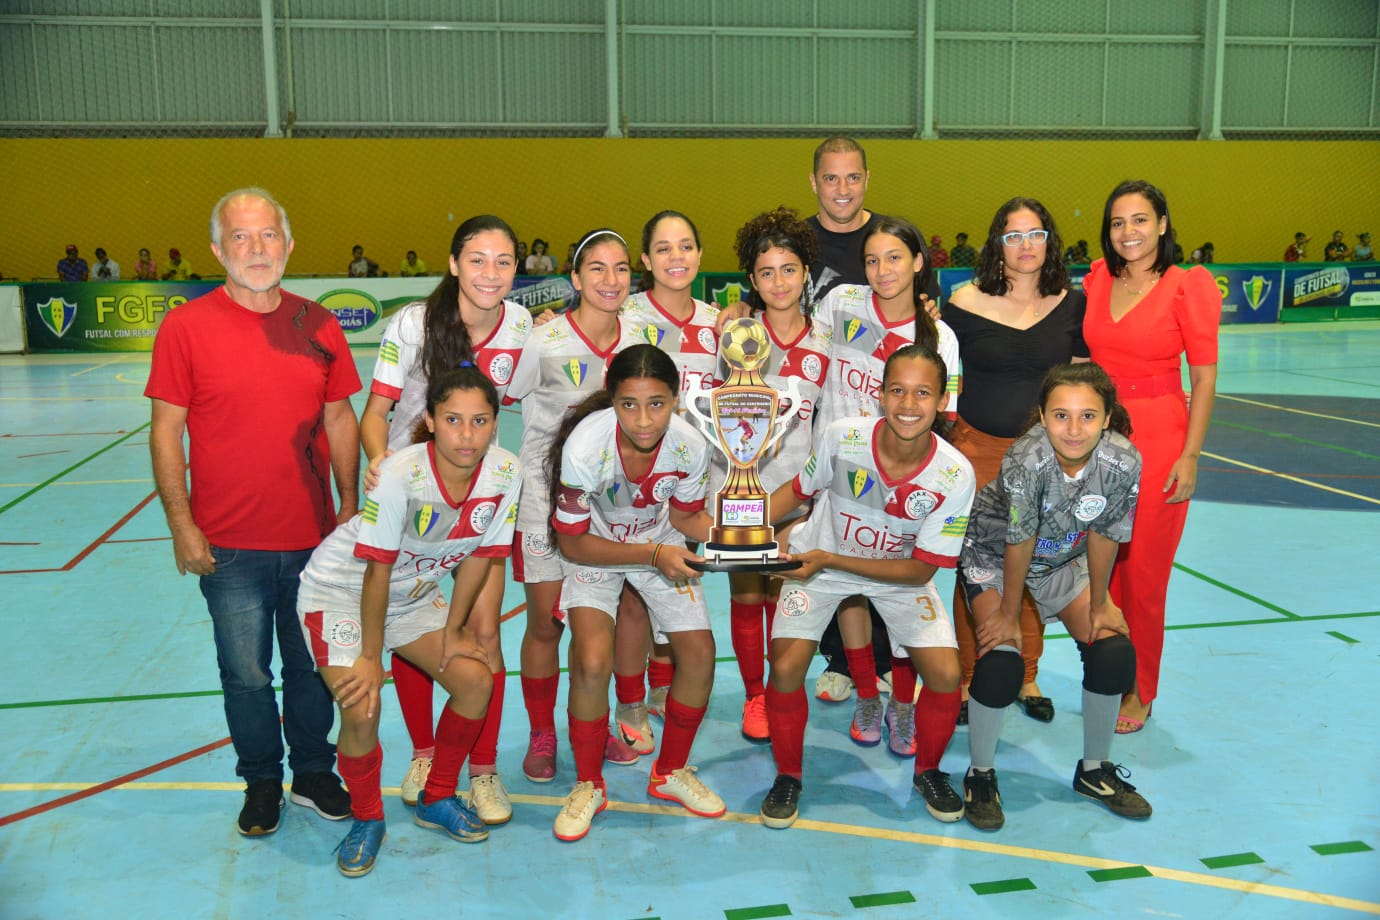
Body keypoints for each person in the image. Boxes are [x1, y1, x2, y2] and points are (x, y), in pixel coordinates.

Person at [145, 187, 360, 837]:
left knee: (310, 666)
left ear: (289, 245)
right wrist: (182, 524)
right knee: (245, 674)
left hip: (316, 541)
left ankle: (315, 772)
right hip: (229, 545)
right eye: (241, 237)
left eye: (268, 235)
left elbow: (340, 416)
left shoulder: (318, 323)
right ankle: (262, 779)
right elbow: (164, 431)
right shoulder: (185, 328)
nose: (256, 248)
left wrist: (351, 508)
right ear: (218, 249)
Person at [300, 368, 519, 877]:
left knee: (474, 680)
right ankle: (367, 818)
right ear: (430, 421)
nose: (467, 435)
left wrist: (456, 630)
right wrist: (371, 657)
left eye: (480, 421)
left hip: (412, 591)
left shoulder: (506, 473)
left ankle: (438, 796)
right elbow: (376, 572)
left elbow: (481, 557)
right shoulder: (402, 473)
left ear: (494, 424)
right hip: (341, 592)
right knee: (361, 704)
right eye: (453, 420)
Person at [757, 344, 976, 829]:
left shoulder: (955, 473)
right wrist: (737, 532)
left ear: (942, 400)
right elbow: (798, 491)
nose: (908, 403)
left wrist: (829, 559)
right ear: (879, 395)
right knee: (788, 665)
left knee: (944, 674)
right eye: (897, 390)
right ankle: (789, 776)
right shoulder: (842, 437)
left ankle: (929, 772)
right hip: (822, 562)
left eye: (923, 393)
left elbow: (921, 572)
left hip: (890, 572)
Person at [359, 215, 531, 820]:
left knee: (484, 634)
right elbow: (375, 411)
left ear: (518, 268)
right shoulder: (411, 324)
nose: (491, 272)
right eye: (477, 259)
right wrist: (383, 465)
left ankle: (482, 771)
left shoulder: (521, 323)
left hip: (479, 494)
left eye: (504, 260)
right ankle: (426, 754)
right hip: (411, 499)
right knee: (412, 628)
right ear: (454, 264)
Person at [957, 362, 1149, 830]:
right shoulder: (1026, 459)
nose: (1074, 428)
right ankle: (979, 774)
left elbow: (1105, 533)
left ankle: (1094, 771)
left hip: (1062, 559)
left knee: (1113, 652)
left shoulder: (1123, 461)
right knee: (1001, 662)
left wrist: (1100, 604)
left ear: (1107, 418)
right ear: (1042, 416)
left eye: (1088, 416)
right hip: (995, 554)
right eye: (1061, 415)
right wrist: (1007, 614)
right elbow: (1017, 539)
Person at [548, 344, 725, 841]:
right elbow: (573, 541)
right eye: (629, 404)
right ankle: (588, 785)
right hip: (597, 547)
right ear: (611, 399)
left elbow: (685, 516)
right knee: (589, 660)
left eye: (657, 403)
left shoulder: (690, 444)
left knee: (700, 655)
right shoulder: (585, 446)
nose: (644, 420)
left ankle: (670, 773)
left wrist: (743, 538)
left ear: (676, 400)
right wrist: (649, 556)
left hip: (659, 539)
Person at [942, 198, 1089, 733]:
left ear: (1049, 241)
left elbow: (1080, 382)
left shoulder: (1072, 305)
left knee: (1034, 564)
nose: (1026, 245)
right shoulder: (963, 302)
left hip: (1045, 459)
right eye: (1013, 235)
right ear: (996, 244)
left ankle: (1027, 674)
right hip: (977, 452)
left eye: (1036, 234)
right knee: (974, 570)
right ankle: (965, 677)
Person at [1082, 179, 1220, 733]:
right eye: (1118, 222)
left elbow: (1205, 379)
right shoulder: (1096, 278)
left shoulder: (1188, 286)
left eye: (1140, 220)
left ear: (1162, 224)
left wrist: (1190, 455)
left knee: (1144, 571)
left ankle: (1140, 689)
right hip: (1096, 438)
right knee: (1101, 564)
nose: (1129, 232)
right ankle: (1110, 673)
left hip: (1160, 435)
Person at [505, 228, 642, 783]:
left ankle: (594, 719)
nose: (611, 280)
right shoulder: (544, 339)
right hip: (543, 499)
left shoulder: (641, 337)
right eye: (598, 269)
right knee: (544, 623)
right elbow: (501, 397)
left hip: (612, 507)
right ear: (576, 278)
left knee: (598, 624)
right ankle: (541, 732)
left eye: (621, 269)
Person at [722, 207, 828, 742]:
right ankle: (754, 696)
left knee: (784, 596)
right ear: (751, 280)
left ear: (806, 271)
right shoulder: (733, 334)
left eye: (789, 269)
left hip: (799, 497)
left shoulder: (826, 342)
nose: (779, 282)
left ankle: (784, 686)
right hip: (741, 492)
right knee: (746, 595)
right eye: (766, 272)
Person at [621, 210, 722, 716]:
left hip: (690, 483)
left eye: (685, 246)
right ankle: (630, 696)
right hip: (634, 478)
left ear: (700, 254)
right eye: (663, 248)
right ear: (645, 260)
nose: (675, 257)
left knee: (677, 580)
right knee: (634, 595)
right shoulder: (626, 316)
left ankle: (661, 685)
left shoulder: (720, 324)